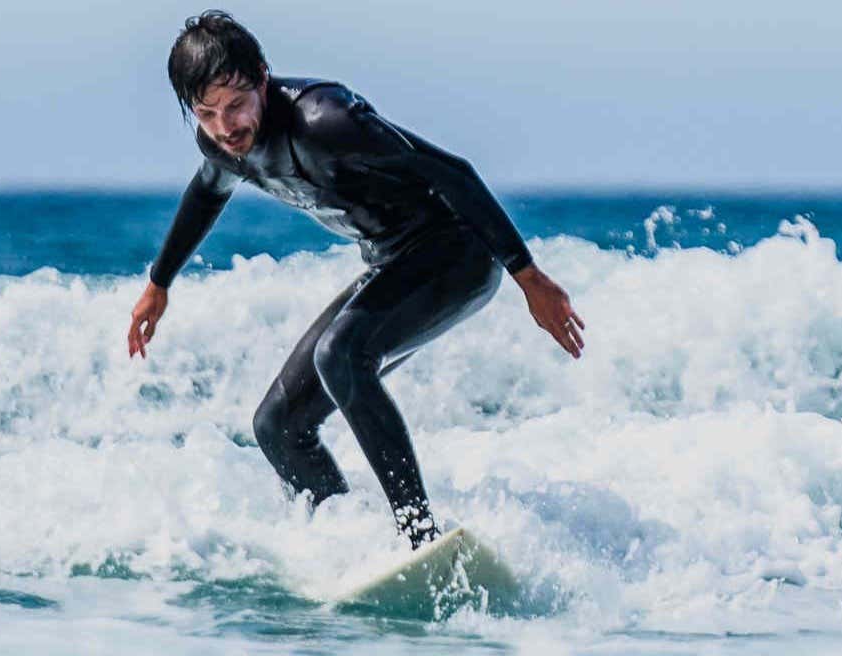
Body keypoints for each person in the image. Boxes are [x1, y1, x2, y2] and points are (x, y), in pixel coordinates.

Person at [123, 10, 585, 548]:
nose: (226, 127)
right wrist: (159, 285)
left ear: (263, 80)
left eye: (236, 104)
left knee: (340, 354)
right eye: (207, 113)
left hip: (460, 254)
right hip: (392, 263)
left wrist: (528, 277)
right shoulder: (224, 146)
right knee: (278, 426)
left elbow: (452, 172)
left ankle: (420, 536)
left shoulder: (328, 122)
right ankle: (349, 543)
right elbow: (206, 192)